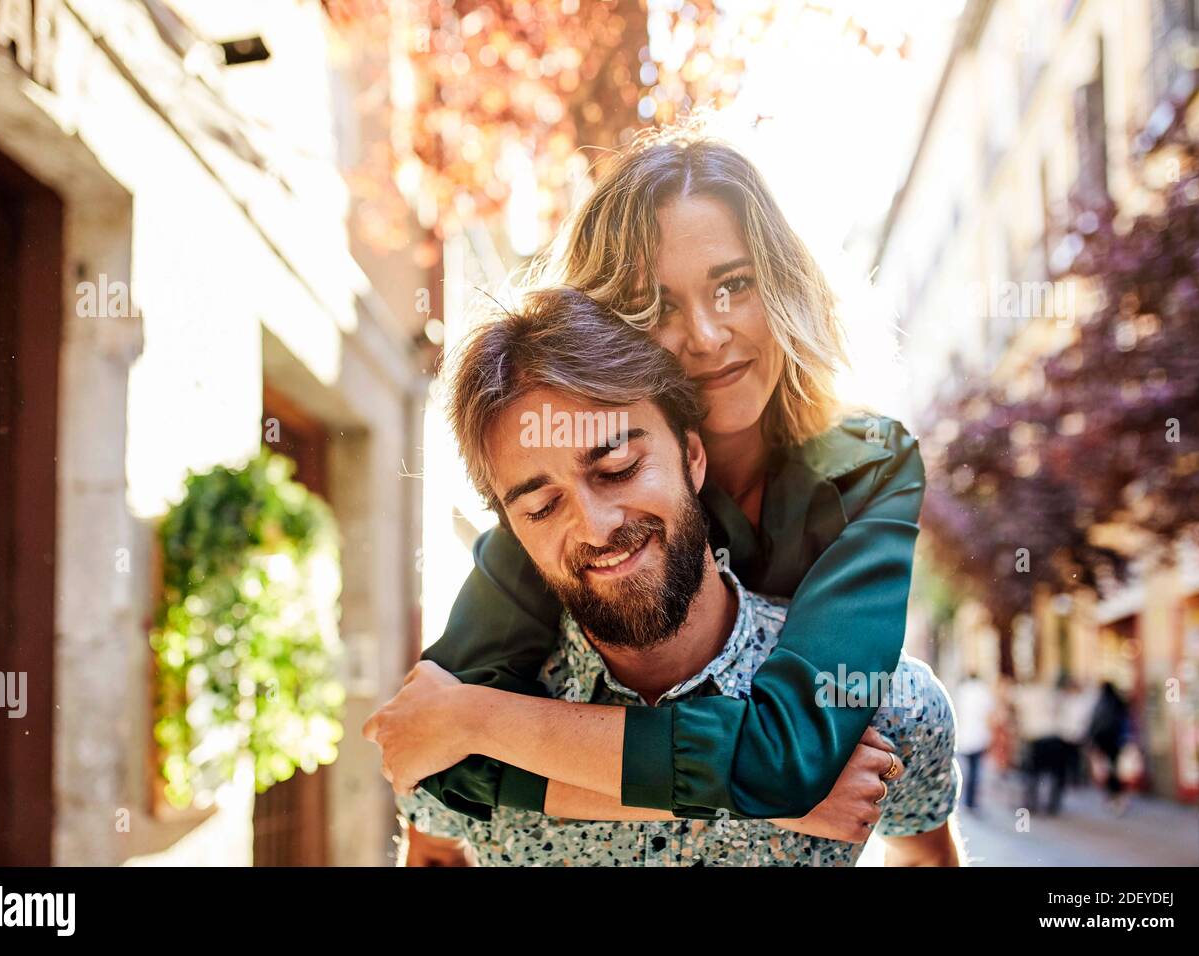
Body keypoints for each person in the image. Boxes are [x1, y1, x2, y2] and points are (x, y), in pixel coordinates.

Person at [368, 126, 927, 828]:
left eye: (733, 285)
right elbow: (435, 755)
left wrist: (480, 718)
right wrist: (757, 802)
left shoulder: (872, 469)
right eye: (656, 305)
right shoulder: (574, 495)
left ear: (782, 284)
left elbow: (787, 760)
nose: (705, 334)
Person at [381, 290, 961, 866]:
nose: (596, 527)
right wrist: (750, 799)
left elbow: (924, 856)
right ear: (510, 527)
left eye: (619, 469)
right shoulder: (449, 722)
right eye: (541, 507)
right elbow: (432, 852)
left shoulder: (885, 710)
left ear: (692, 456)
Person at [1015, 679, 1068, 815]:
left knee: (1033, 774)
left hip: (1036, 737)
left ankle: (1032, 804)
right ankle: (1052, 806)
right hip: (1053, 736)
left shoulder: (1024, 694)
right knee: (1054, 774)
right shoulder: (1052, 694)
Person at [1087, 681, 1131, 814]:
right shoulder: (1119, 702)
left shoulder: (1100, 703)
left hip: (1104, 742)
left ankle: (1113, 794)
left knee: (1108, 769)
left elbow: (1094, 722)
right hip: (1116, 742)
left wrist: (1092, 741)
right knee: (1114, 767)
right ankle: (1116, 794)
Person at [953, 671, 994, 812]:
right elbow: (989, 715)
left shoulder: (962, 691)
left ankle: (966, 800)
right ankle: (972, 801)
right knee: (976, 770)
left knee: (967, 769)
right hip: (979, 735)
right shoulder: (983, 691)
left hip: (966, 735)